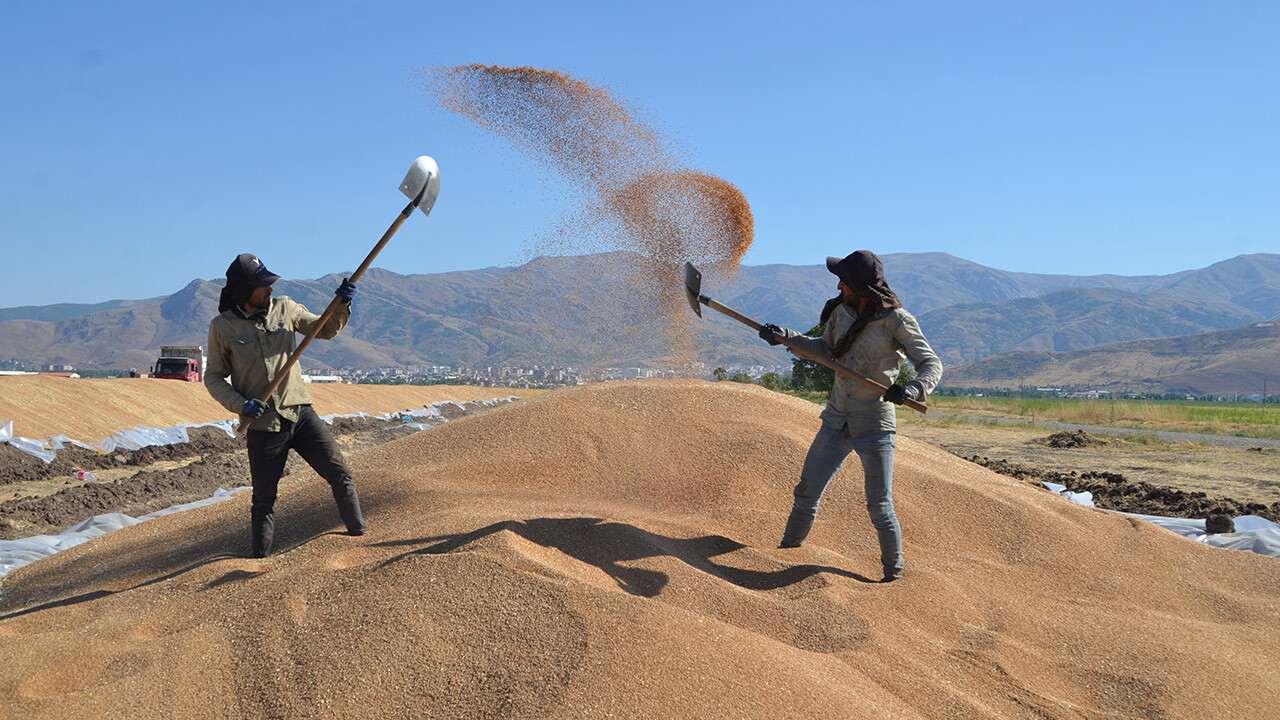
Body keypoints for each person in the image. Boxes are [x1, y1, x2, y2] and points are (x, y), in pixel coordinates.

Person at [759, 250, 942, 582]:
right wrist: (785, 338)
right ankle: (783, 555)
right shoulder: (841, 314)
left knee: (879, 506)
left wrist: (911, 390)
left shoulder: (896, 320)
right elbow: (825, 351)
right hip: (836, 418)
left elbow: (931, 364)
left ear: (859, 284)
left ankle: (893, 575)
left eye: (844, 280)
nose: (839, 285)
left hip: (874, 423)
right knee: (806, 492)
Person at [204, 253, 367, 558]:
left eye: (269, 284)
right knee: (264, 499)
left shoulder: (286, 308)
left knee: (340, 472)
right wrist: (240, 404)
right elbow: (213, 377)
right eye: (262, 285)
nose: (269, 289)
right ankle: (259, 561)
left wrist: (342, 305)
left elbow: (324, 329)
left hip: (300, 412)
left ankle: (359, 538)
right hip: (263, 424)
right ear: (243, 290)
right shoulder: (222, 327)